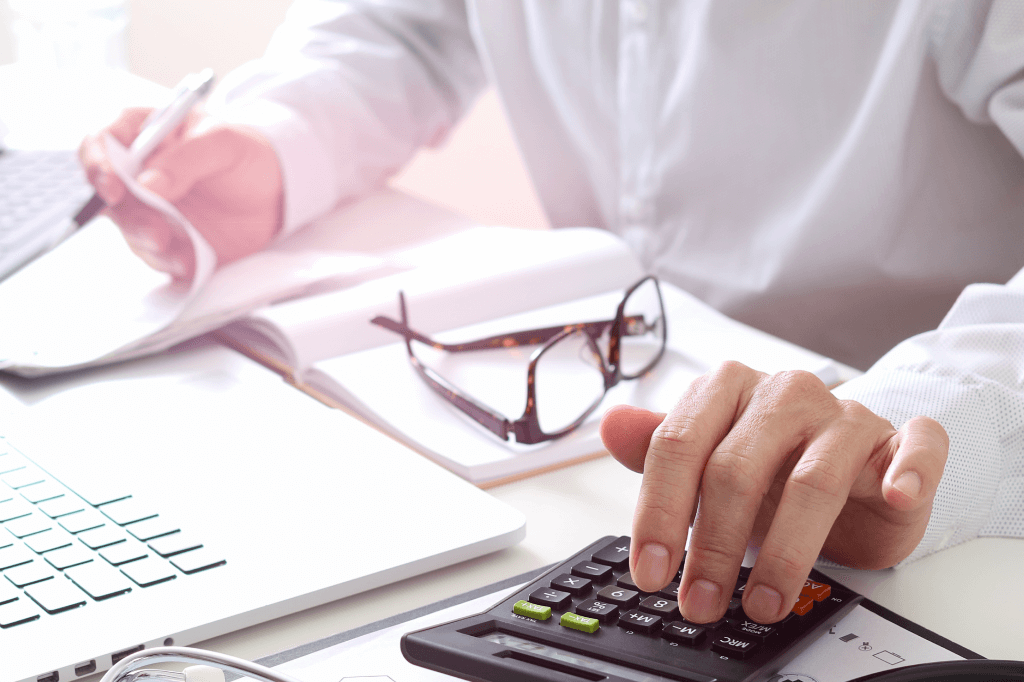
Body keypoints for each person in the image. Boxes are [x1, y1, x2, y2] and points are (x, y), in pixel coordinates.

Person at [79, 1, 1024, 627]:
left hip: (914, 489)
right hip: (605, 417)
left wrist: (919, 429)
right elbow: (408, 27)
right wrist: (276, 144)